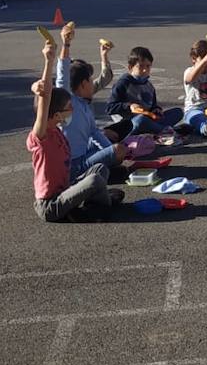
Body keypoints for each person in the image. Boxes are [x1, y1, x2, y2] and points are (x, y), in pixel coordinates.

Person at [30, 39, 119, 223]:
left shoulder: (58, 132)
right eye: (68, 107)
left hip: (66, 189)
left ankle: (95, 205)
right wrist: (49, 61)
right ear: (55, 115)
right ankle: (99, 207)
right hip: (50, 205)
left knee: (99, 170)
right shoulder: (42, 136)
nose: (72, 109)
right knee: (95, 181)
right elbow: (46, 99)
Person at [56, 24, 128, 182]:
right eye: (89, 79)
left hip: (84, 153)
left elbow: (94, 133)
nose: (92, 82)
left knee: (113, 146)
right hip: (73, 165)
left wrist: (110, 152)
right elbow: (62, 76)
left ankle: (102, 171)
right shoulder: (68, 102)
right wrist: (66, 44)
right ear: (82, 84)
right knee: (118, 149)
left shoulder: (84, 105)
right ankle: (89, 176)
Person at [107, 46, 183, 135]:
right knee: (140, 120)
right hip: (129, 123)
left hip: (148, 119)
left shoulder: (149, 85)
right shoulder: (123, 83)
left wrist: (156, 109)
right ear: (130, 67)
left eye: (148, 66)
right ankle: (163, 130)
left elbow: (153, 106)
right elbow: (110, 108)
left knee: (178, 112)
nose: (145, 70)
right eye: (140, 66)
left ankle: (157, 129)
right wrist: (129, 106)